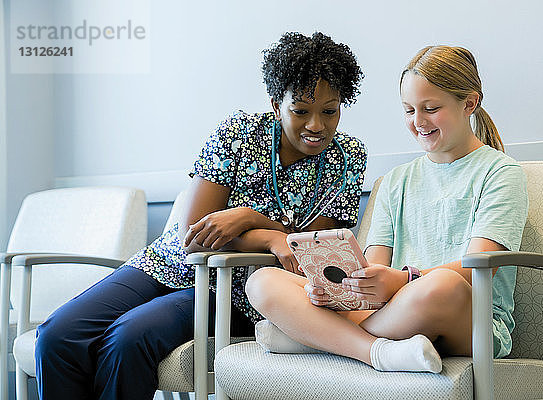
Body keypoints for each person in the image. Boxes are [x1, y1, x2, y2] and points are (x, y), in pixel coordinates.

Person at [34, 31, 367, 399]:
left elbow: (305, 252)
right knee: (57, 334)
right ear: (276, 105)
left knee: (128, 338)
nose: (316, 125)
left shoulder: (347, 157)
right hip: (166, 264)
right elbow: (193, 234)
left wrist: (244, 218)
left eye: (330, 110)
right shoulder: (239, 132)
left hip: (238, 290)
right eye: (300, 110)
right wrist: (271, 233)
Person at [246, 45, 529, 373]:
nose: (418, 122)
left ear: (469, 103)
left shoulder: (501, 174)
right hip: (391, 312)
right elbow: (373, 268)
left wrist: (402, 279)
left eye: (431, 108)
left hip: (468, 319)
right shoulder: (395, 181)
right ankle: (374, 352)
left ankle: (310, 337)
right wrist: (344, 290)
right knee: (264, 281)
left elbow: (479, 268)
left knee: (442, 286)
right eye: (409, 111)